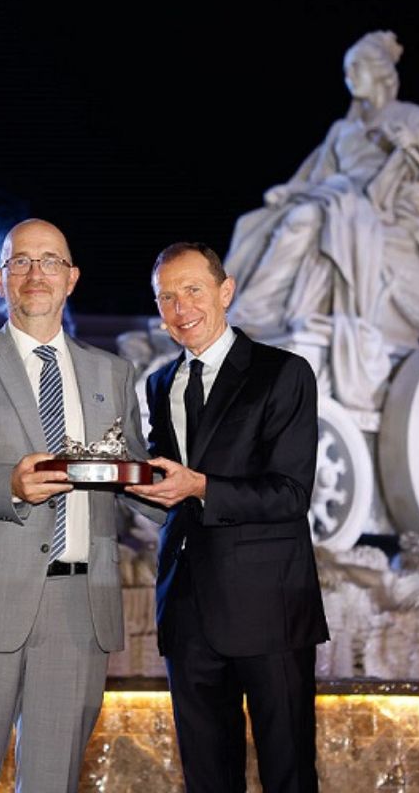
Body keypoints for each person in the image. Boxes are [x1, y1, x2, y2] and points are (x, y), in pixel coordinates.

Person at [0, 219, 156, 791]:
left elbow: (131, 473)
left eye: (50, 261)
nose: (35, 273)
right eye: (20, 261)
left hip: (79, 610)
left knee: (53, 783)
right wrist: (9, 484)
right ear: (0, 279)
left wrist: (179, 494)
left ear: (72, 279)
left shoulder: (113, 373)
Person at [126, 242, 328, 792]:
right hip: (186, 611)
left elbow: (289, 494)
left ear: (225, 291)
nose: (180, 307)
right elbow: (169, 493)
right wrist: (115, 479)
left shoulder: (283, 374)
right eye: (166, 296)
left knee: (288, 775)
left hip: (270, 611)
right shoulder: (159, 383)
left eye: (192, 290)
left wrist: (202, 486)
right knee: (206, 779)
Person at [225, 30, 419, 411]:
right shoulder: (341, 130)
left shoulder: (410, 117)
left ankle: (253, 311)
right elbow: (314, 175)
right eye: (347, 70)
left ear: (379, 72)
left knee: (307, 219)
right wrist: (289, 190)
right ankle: (238, 306)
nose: (349, 77)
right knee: (253, 223)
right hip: (337, 198)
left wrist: (409, 140)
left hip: (379, 212)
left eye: (356, 67)